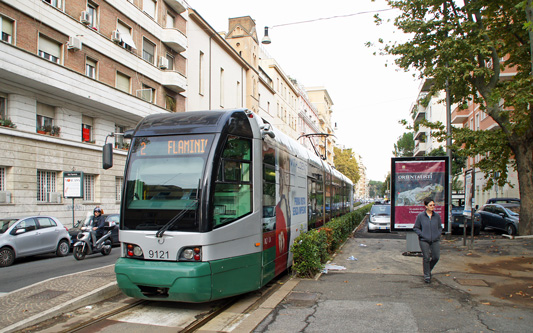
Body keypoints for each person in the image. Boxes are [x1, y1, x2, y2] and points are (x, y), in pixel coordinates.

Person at [413, 198, 443, 284]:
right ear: (426, 206)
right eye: (430, 205)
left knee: (436, 257)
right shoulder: (420, 216)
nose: (433, 207)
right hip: (424, 240)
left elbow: (439, 227)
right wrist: (422, 235)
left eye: (433, 205)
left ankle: (428, 269)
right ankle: (427, 275)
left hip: (435, 239)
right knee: (426, 257)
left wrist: (438, 234)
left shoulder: (437, 216)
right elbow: (416, 227)